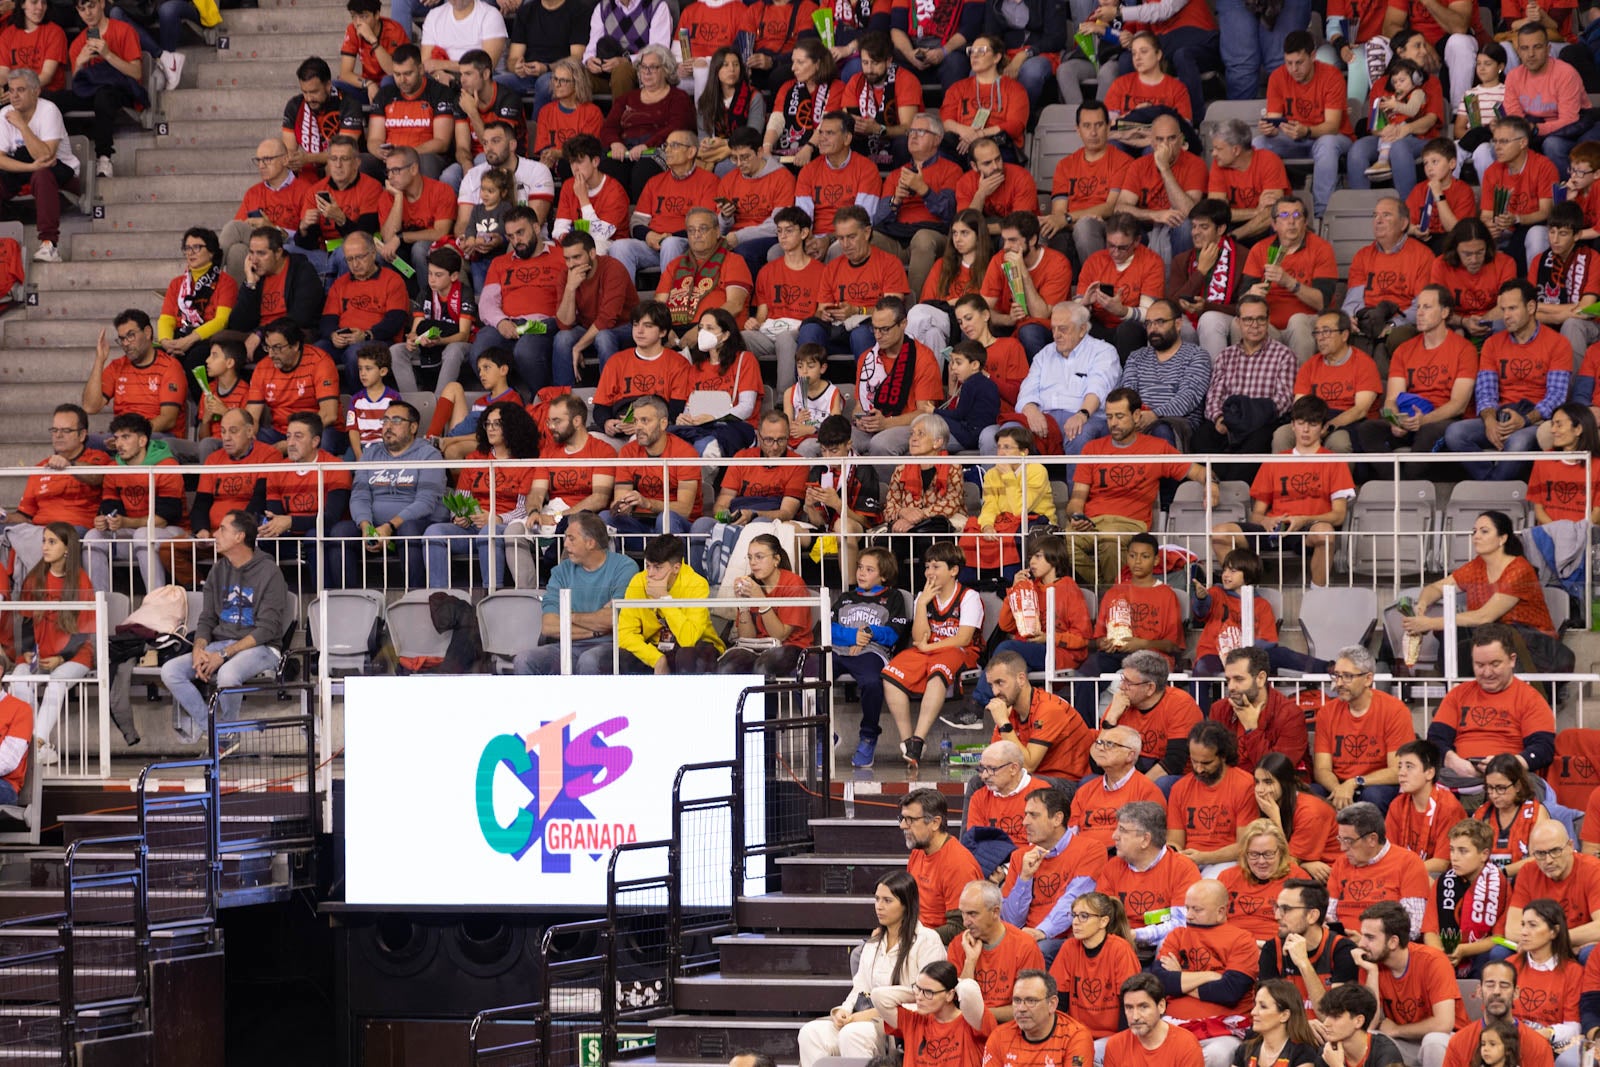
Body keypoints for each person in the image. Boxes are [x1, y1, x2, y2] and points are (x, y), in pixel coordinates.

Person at [159, 511, 292, 743]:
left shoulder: (270, 572)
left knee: (228, 674)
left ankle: (228, 733)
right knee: (170, 671)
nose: (215, 534)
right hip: (221, 643)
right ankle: (218, 733)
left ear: (239, 536)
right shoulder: (217, 571)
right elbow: (207, 619)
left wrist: (222, 655)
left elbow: (267, 630)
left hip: (262, 647)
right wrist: (199, 649)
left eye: (222, 529)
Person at [1062, 390, 1213, 587]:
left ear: (1136, 416)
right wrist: (1076, 516)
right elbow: (1076, 500)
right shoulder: (1092, 448)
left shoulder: (1157, 448)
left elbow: (1199, 471)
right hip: (1093, 522)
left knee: (1110, 543)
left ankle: (1112, 599)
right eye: (1109, 417)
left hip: (1130, 523)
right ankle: (1108, 589)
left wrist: (1212, 484)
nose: (1113, 423)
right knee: (1060, 544)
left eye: (1119, 416)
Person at [797, 869, 946, 1067]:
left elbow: (927, 996)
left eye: (887, 900)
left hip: (904, 1022)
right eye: (877, 899)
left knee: (853, 1034)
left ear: (906, 904)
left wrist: (869, 1015)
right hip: (865, 1019)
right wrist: (843, 1010)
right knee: (810, 1033)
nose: (879, 907)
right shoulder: (874, 943)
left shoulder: (927, 940)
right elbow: (860, 987)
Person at [1219, 396, 1354, 587]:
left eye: (1313, 424)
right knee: (1219, 533)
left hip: (1308, 527)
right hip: (1276, 527)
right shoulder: (1276, 460)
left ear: (1323, 428)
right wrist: (1266, 520)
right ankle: (1242, 593)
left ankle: (1317, 597)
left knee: (1325, 532)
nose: (1305, 430)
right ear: (1292, 426)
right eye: (1300, 423)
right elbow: (1257, 514)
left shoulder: (1334, 461)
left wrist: (1304, 519)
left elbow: (1339, 515)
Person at [1443, 279, 1572, 480]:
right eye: (1503, 309)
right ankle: (1494, 486)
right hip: (1500, 415)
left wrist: (1526, 420)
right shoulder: (1492, 344)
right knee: (1454, 433)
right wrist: (1489, 421)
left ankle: (1490, 494)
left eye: (1512, 308)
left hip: (1536, 419)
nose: (1506, 316)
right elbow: (1486, 392)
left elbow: (1556, 397)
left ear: (1531, 307)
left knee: (1518, 442)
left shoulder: (1558, 343)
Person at [1406, 517, 1560, 673]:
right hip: (1491, 638)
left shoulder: (1519, 569)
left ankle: (1461, 689)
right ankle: (1456, 691)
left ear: (1502, 538)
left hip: (1531, 645)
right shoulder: (1477, 565)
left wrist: (1430, 623)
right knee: (1453, 635)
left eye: (1484, 531)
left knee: (1465, 645)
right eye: (1474, 532)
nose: (1476, 536)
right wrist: (1422, 605)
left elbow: (1485, 616)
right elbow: (1435, 588)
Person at [962, 535, 1090, 714]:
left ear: (1054, 558)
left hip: (1059, 653)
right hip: (1029, 651)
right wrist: (1014, 590)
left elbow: (1082, 638)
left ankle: (977, 707)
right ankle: (1007, 722)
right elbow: (1006, 625)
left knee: (1007, 649)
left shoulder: (1068, 587)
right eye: (1031, 557)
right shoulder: (1029, 586)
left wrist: (1049, 637)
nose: (1032, 562)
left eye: (1038, 556)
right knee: (1012, 672)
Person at [880, 542, 981, 765]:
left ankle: (919, 737)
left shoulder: (969, 596)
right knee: (890, 674)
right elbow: (919, 636)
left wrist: (928, 648)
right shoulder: (923, 597)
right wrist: (922, 605)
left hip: (959, 650)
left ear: (953, 570)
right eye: (927, 567)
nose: (929, 572)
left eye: (935, 567)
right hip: (927, 649)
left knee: (938, 674)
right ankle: (909, 743)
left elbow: (963, 638)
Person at [420, 401, 536, 590]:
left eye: (497, 424)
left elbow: (525, 508)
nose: (491, 429)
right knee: (433, 533)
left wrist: (496, 518)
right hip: (471, 527)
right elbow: (461, 497)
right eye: (487, 424)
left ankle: (491, 593)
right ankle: (439, 595)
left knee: (487, 532)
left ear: (512, 426)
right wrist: (460, 516)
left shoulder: (526, 462)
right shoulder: (475, 458)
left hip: (504, 527)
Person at [1353, 284, 1478, 458]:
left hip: (1442, 419)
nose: (1419, 312)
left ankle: (1408, 482)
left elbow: (1458, 404)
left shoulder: (1464, 350)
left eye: (1427, 307)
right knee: (1367, 429)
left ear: (1444, 313)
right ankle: (1393, 481)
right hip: (1409, 420)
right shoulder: (1403, 350)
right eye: (1418, 307)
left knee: (1428, 433)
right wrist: (1396, 421)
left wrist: (1424, 420)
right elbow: (1391, 399)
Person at [329, 400, 444, 588]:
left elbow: (425, 502)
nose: (388, 426)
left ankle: (416, 598)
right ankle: (348, 601)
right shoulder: (370, 454)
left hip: (412, 524)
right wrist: (366, 527)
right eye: (385, 421)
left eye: (396, 421)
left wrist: (390, 526)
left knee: (408, 532)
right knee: (340, 533)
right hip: (374, 526)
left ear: (413, 427)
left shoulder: (429, 455)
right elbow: (359, 496)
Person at [8, 522, 95, 762]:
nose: (45, 547)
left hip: (75, 655)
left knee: (57, 682)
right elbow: (25, 622)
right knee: (18, 680)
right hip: (39, 654)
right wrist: (26, 652)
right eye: (44, 541)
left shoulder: (80, 581)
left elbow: (83, 633)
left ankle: (37, 742)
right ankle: (37, 747)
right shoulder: (34, 578)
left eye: (52, 542)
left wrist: (61, 658)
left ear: (67, 549)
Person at [1154, 878, 1261, 1067]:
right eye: (1187, 908)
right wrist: (1210, 976)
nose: (1189, 915)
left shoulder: (1242, 939)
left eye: (1197, 909)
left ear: (1221, 911)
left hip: (1223, 1030)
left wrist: (1180, 978)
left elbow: (1229, 992)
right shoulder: (1177, 935)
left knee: (1217, 1054)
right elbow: (1161, 983)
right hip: (1173, 1025)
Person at [512, 513, 635, 672]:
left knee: (589, 660)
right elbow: (549, 626)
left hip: (612, 645)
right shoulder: (560, 571)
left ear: (590, 543)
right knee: (524, 660)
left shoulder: (624, 567)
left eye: (571, 538)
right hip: (567, 645)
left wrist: (569, 616)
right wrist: (597, 630)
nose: (565, 545)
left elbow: (613, 619)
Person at [998, 786, 1107, 964]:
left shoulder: (1091, 849)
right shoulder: (1020, 857)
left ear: (1057, 818)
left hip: (1066, 937)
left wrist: (1041, 932)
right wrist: (1024, 878)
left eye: (1033, 815)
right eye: (1025, 814)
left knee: (1040, 949)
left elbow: (1074, 901)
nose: (1024, 822)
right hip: (1027, 936)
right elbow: (1012, 921)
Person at [1253, 32, 1355, 222]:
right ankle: (1269, 210)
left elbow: (1332, 126)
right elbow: (1274, 120)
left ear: (1313, 56)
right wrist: (1270, 128)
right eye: (1289, 63)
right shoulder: (1277, 77)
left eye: (1299, 62)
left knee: (1326, 143)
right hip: (1294, 138)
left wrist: (1306, 131)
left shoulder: (1331, 75)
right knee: (1259, 143)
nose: (1293, 69)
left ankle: (1321, 215)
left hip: (1333, 138)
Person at [1352, 901, 1467, 1066]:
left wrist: (1397, 1030)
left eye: (1370, 937)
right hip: (1407, 1042)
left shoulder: (1433, 960)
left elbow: (1444, 1024)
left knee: (1432, 1041)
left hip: (1450, 1040)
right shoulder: (1370, 962)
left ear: (1393, 942)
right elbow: (1368, 1026)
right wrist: (1372, 973)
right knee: (1372, 1042)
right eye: (1362, 935)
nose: (1361, 944)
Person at [83, 412, 185, 594]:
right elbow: (110, 507)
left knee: (142, 534)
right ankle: (101, 607)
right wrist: (106, 521)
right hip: (133, 534)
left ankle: (156, 601)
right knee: (92, 537)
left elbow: (164, 518)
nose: (119, 444)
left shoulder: (166, 465)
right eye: (116, 438)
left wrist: (125, 522)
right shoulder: (113, 468)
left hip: (170, 534)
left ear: (142, 441)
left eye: (126, 437)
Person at [3, 405, 110, 577]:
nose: (58, 435)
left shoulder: (97, 459)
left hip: (75, 530)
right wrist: (5, 517)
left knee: (53, 538)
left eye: (66, 430)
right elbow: (25, 516)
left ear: (82, 435)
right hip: (38, 530)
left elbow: (98, 476)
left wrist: (71, 465)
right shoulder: (40, 467)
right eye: (55, 430)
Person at [1190, 293, 1296, 463]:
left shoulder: (1284, 355)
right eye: (1248, 320)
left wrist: (1250, 419)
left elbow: (1284, 401)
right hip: (1229, 420)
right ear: (1238, 322)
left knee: (1255, 446)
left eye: (1260, 319)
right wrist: (1219, 418)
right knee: (1201, 439)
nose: (1255, 325)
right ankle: (1214, 485)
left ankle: (1237, 487)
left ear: (1268, 321)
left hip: (1262, 422)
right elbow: (1214, 395)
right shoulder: (1226, 355)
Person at [1010, 301, 1119, 467]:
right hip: (1045, 419)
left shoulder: (1103, 351)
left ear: (1082, 329)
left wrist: (1082, 414)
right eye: (1053, 329)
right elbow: (1027, 389)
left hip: (1085, 417)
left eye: (1063, 329)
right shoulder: (1045, 353)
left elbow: (1098, 388)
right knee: (1010, 433)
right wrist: (1031, 411)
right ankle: (1013, 492)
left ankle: (1075, 493)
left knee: (1079, 433)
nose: (1056, 335)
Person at [472, 207, 567, 395]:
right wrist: (500, 322)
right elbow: (487, 303)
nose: (516, 241)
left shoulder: (561, 256)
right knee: (480, 352)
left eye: (520, 233)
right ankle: (511, 398)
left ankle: (542, 398)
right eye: (510, 236)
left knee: (525, 351)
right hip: (508, 322)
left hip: (544, 323)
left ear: (536, 228)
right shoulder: (500, 263)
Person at [965, 650, 1091, 786]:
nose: (995, 692)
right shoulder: (1008, 710)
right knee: (977, 782)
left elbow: (1029, 765)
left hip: (1067, 782)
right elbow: (994, 761)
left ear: (1021, 679)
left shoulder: (1049, 708)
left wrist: (1003, 723)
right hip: (1033, 777)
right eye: (991, 685)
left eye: (1000, 683)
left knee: (1023, 782)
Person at [1313, 645, 1413, 812]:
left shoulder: (1394, 710)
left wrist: (1354, 782)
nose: (1339, 683)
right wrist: (1339, 788)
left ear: (1368, 679)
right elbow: (1321, 769)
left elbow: (1398, 770)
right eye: (1336, 676)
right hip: (1338, 784)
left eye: (1347, 677)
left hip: (1375, 785)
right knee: (1313, 794)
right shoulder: (1327, 712)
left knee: (1373, 796)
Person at [802, 215, 911, 367]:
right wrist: (825, 313)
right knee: (810, 330)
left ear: (866, 233)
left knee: (860, 334)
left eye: (851, 237)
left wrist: (857, 311)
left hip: (871, 330)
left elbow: (893, 313)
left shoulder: (889, 263)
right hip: (836, 329)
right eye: (840, 238)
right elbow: (820, 310)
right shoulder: (832, 268)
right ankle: (805, 388)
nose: (845, 245)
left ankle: (870, 390)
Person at [1239, 194, 1339, 361]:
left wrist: (1288, 282)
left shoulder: (1322, 249)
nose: (1291, 221)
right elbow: (1241, 301)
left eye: (1297, 215)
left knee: (1297, 321)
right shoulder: (1259, 249)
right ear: (1274, 224)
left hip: (1308, 322)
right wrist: (1251, 295)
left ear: (1305, 223)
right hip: (1268, 323)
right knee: (1241, 324)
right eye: (1284, 216)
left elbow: (1322, 302)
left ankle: (1299, 384)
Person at [1095, 800, 1203, 949]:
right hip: (1120, 944)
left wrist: (1136, 935)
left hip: (1161, 945)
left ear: (1145, 840)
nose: (1114, 836)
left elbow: (1181, 923)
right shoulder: (1112, 866)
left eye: (1122, 830)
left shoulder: (1183, 868)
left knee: (1168, 944)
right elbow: (1101, 915)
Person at [1339, 196, 1434, 359]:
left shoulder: (1423, 256)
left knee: (1398, 337)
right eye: (1375, 215)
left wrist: (1392, 325)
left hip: (1402, 322)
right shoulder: (1362, 256)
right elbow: (1353, 300)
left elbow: (1421, 306)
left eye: (1386, 215)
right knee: (1335, 331)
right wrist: (1351, 318)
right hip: (1368, 319)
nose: (1378, 220)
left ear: (1404, 224)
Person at [1327, 803, 1437, 943]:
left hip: (1385, 953)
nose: (1342, 848)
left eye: (1348, 841)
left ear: (1372, 839)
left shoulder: (1408, 862)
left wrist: (1367, 942)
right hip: (1342, 946)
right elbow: (1329, 916)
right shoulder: (1341, 863)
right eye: (1340, 839)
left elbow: (1412, 928)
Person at [0, 68, 78, 262]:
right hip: (28, 168)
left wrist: (22, 126)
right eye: (11, 90)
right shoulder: (4, 114)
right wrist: (29, 168)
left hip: (61, 170)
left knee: (41, 173)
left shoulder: (48, 110)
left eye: (21, 90)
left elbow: (45, 155)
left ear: (36, 91)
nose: (14, 96)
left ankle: (49, 245)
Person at [1046, 891, 1139, 1052]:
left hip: (1113, 1037)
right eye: (1074, 915)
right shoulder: (1069, 948)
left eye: (1083, 916)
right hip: (1077, 1035)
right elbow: (1058, 1001)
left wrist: (1123, 1048)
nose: (1075, 922)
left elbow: (1130, 1004)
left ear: (1103, 921)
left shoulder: (1120, 950)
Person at [1098, 646, 1202, 787]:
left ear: (1150, 688)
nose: (1121, 687)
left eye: (1128, 683)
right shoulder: (1120, 703)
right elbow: (1099, 759)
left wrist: (1135, 788)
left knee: (1163, 783)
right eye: (1123, 679)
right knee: (1090, 781)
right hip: (1130, 771)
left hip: (1172, 776)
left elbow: (1175, 761)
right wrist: (1110, 718)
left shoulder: (1180, 704)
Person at [1164, 722, 1258, 877]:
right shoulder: (1180, 788)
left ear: (1223, 756)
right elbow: (1175, 841)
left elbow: (1245, 845)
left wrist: (1204, 857)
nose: (1199, 769)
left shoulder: (1244, 785)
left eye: (1206, 763)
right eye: (1194, 761)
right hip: (1189, 860)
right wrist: (1175, 853)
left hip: (1227, 860)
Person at [1116, 299, 1212, 449]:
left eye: (1160, 322)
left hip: (1177, 424)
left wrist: (1154, 415)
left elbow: (1188, 397)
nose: (1153, 329)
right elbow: (1128, 393)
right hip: (1138, 419)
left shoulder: (1197, 355)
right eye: (1148, 323)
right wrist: (1136, 417)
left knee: (1161, 429)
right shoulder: (1136, 357)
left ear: (1178, 324)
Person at [319, 231, 411, 388]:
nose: (355, 264)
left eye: (360, 257)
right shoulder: (340, 284)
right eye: (349, 259)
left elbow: (395, 320)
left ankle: (358, 402)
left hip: (379, 340)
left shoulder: (392, 280)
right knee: (315, 352)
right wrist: (333, 335)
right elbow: (328, 319)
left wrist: (366, 335)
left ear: (373, 254)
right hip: (344, 340)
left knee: (356, 354)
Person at [81, 309, 186, 444]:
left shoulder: (170, 367)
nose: (125, 343)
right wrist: (100, 360)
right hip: (123, 439)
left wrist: (131, 437)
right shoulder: (116, 366)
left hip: (157, 438)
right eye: (122, 338)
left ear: (147, 332)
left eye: (130, 336)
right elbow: (90, 407)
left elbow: (168, 419)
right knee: (81, 442)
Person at [716, 535, 814, 679]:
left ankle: (767, 703)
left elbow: (780, 635)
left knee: (763, 667)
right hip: (758, 647)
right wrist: (743, 605)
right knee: (726, 666)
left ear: (776, 559)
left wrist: (761, 599)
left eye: (759, 557)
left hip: (791, 647)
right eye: (750, 558)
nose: (753, 563)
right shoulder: (751, 584)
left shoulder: (793, 584)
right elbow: (746, 638)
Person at [1043, 101, 1127, 268]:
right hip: (1071, 226)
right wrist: (1063, 219)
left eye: (1099, 125)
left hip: (1105, 226)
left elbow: (1110, 208)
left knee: (1085, 226)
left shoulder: (1123, 162)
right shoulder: (1065, 165)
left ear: (1109, 126)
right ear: (1078, 129)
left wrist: (1068, 218)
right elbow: (1058, 212)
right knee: (1038, 229)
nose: (1093, 132)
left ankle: (1098, 283)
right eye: (1087, 126)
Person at [67, 0, 143, 179]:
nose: (88, 13)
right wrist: (79, 63)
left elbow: (137, 73)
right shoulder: (78, 43)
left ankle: (104, 158)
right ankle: (60, 157)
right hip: (92, 90)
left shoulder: (124, 30)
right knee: (53, 99)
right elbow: (78, 87)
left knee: (103, 96)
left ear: (102, 3)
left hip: (122, 88)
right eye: (82, 9)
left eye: (91, 6)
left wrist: (108, 55)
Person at [1503, 21, 1591, 177]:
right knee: (1502, 145)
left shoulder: (1565, 73)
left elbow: (1569, 120)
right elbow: (1516, 118)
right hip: (1533, 130)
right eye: (1524, 48)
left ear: (1548, 49)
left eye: (1537, 47)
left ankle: (1564, 194)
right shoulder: (1513, 77)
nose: (1530, 54)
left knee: (1552, 145)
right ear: (1518, 51)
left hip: (1572, 131)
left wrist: (1536, 129)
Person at [949, 880, 1046, 1020]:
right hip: (967, 1028)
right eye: (963, 913)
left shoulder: (1025, 946)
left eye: (972, 914)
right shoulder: (959, 944)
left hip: (1011, 1029)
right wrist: (970, 961)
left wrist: (980, 1013)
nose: (965, 922)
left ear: (995, 912)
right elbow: (957, 1002)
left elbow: (1030, 1008)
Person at [1120, 114, 1208, 266]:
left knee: (1185, 225)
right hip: (1147, 226)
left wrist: (1164, 168)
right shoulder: (1139, 166)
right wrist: (1155, 215)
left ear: (1181, 139)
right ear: (1152, 142)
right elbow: (1120, 208)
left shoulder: (1195, 164)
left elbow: (1189, 211)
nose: (1166, 145)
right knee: (1123, 224)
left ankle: (1179, 282)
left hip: (1177, 227)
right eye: (1160, 139)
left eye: (1172, 138)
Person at [1259, 878, 1360, 1010]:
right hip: (1290, 1030)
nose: (1277, 916)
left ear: (1312, 915)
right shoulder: (1273, 949)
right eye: (1277, 907)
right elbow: (1267, 1013)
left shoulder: (1342, 950)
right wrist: (1303, 1026)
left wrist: (1304, 964)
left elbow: (1334, 1017)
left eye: (1286, 909)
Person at [1210, 646, 1311, 775]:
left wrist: (1252, 730)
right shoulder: (1220, 709)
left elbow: (1275, 771)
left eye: (1239, 679)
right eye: (1228, 680)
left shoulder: (1290, 715)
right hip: (1232, 786)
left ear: (1261, 678)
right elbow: (1212, 761)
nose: (1231, 687)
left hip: (1276, 789)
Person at [1075, 213, 1166, 353]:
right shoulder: (1094, 261)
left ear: (1137, 241)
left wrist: (1122, 311)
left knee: (1128, 330)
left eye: (1123, 248)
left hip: (1132, 330)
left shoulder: (1152, 262)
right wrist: (1085, 304)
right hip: (1100, 325)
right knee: (1080, 326)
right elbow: (1074, 312)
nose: (1115, 253)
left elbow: (1149, 314)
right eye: (1110, 245)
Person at [1441, 960, 1560, 1067]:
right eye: (1490, 985)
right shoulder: (1459, 1041)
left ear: (1516, 993)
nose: (1496, 991)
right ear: (1479, 991)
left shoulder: (1538, 1045)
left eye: (1504, 985)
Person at [1508, 898, 1584, 1063]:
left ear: (1554, 932)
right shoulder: (1508, 965)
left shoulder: (1573, 971)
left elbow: (1574, 1026)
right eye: (1523, 925)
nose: (1524, 932)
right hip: (1509, 1042)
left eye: (1532, 925)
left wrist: (1547, 1033)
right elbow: (1492, 1014)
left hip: (1551, 1045)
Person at [247, 319, 343, 449]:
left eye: (277, 348)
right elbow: (252, 417)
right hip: (279, 432)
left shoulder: (320, 362)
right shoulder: (263, 367)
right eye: (267, 347)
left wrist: (292, 442)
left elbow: (328, 415)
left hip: (318, 428)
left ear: (295, 345)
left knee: (324, 440)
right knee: (247, 442)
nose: (270, 354)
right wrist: (248, 436)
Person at [1479, 116, 1559, 274]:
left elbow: (1546, 211)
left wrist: (1517, 218)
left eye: (1504, 142)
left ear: (1523, 142)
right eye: (1495, 141)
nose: (1497, 147)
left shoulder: (1543, 166)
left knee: (1535, 235)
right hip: (1504, 229)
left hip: (1536, 226)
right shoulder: (1492, 171)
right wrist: (1490, 225)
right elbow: (1486, 214)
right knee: (1475, 234)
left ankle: (1536, 288)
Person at [232, 228, 325, 361]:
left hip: (291, 333)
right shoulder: (256, 274)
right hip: (258, 334)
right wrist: (250, 284)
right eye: (251, 253)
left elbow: (301, 317)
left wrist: (260, 333)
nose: (254, 260)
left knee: (242, 353)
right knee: (220, 341)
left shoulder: (302, 270)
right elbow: (238, 324)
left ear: (278, 253)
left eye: (261, 253)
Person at [366, 44, 456, 181]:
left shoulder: (440, 93)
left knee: (427, 163)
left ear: (420, 69)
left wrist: (406, 154)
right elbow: (373, 140)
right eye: (397, 74)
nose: (402, 80)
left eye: (408, 74)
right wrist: (380, 151)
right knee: (359, 162)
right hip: (389, 159)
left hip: (422, 157)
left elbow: (442, 142)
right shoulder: (385, 94)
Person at [871, 962, 988, 1065]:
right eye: (917, 988)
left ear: (950, 994)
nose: (920, 997)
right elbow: (878, 996)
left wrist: (955, 984)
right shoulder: (914, 1021)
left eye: (928, 992)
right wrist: (919, 993)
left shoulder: (971, 1021)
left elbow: (968, 990)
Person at [189, 409, 282, 540]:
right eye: (223, 431)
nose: (226, 437)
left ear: (249, 431)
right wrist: (201, 530)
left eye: (233, 431)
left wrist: (235, 531)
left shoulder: (269, 455)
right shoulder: (213, 459)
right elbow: (202, 502)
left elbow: (260, 501)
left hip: (245, 535)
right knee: (167, 550)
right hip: (213, 535)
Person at [1438, 818, 1512, 979]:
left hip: (1479, 954)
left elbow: (1500, 937)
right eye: (1452, 850)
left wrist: (1464, 950)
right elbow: (1429, 931)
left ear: (1484, 854)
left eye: (1463, 851)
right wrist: (1440, 953)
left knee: (1490, 957)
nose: (1454, 857)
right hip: (1444, 951)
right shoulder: (1443, 882)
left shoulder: (1501, 886)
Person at [1068, 723, 1166, 841]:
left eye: (1110, 744)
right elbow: (1071, 835)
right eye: (1100, 743)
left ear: (1130, 755)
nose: (1101, 748)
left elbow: (1149, 841)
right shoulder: (1084, 791)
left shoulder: (1147, 791)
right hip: (1086, 856)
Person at [1253, 753, 1340, 882]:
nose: (1260, 789)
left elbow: (1286, 865)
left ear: (1285, 783)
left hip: (1327, 872)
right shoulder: (1265, 800)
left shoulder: (1310, 811)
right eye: (1257, 782)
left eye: (1268, 782)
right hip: (1298, 864)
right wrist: (1304, 864)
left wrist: (1275, 819)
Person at [1386, 739, 1468, 875]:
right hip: (1404, 873)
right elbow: (1389, 853)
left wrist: (1405, 871)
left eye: (1409, 766)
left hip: (1440, 879)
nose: (1401, 772)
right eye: (1400, 766)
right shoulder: (1397, 805)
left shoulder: (1448, 807)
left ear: (1429, 773)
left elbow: (1442, 863)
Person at [1432, 219, 1518, 348]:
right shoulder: (1440, 265)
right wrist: (1463, 322)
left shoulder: (1505, 263)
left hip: (1491, 323)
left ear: (1488, 247)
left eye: (1480, 252)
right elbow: (1436, 308)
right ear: (1455, 250)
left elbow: (1508, 304)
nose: (1474, 260)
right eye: (1467, 254)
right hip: (1455, 322)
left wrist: (1481, 322)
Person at [981, 970, 1093, 1065]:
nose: (1021, 1008)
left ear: (1052, 1004)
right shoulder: (999, 1036)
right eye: (1017, 1000)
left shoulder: (1077, 1038)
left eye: (1031, 1001)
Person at [1208, 119, 1291, 244]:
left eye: (1218, 149)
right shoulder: (1218, 164)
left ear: (1236, 150)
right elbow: (1216, 213)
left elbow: (1271, 214)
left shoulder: (1269, 161)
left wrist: (1234, 236)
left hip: (1264, 229)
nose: (1213, 154)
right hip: (1235, 224)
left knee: (1278, 222)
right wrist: (1256, 211)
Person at [1103, 974, 1206, 1065]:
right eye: (1129, 1008)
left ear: (1161, 1006)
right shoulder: (1115, 1045)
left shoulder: (1186, 1045)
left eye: (1143, 1007)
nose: (1135, 1017)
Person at [1472, 761, 1546, 877]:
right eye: (1490, 788)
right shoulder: (1481, 813)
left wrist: (1501, 873)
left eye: (1501, 788)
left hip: (1525, 881)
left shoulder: (1536, 812)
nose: (1494, 795)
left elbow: (1540, 857)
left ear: (1517, 786)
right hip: (1486, 886)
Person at [1317, 983, 1405, 1067]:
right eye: (1327, 1016)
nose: (1326, 1023)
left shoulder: (1386, 1051)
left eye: (1335, 1017)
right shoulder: (1327, 1053)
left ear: (1359, 1021)